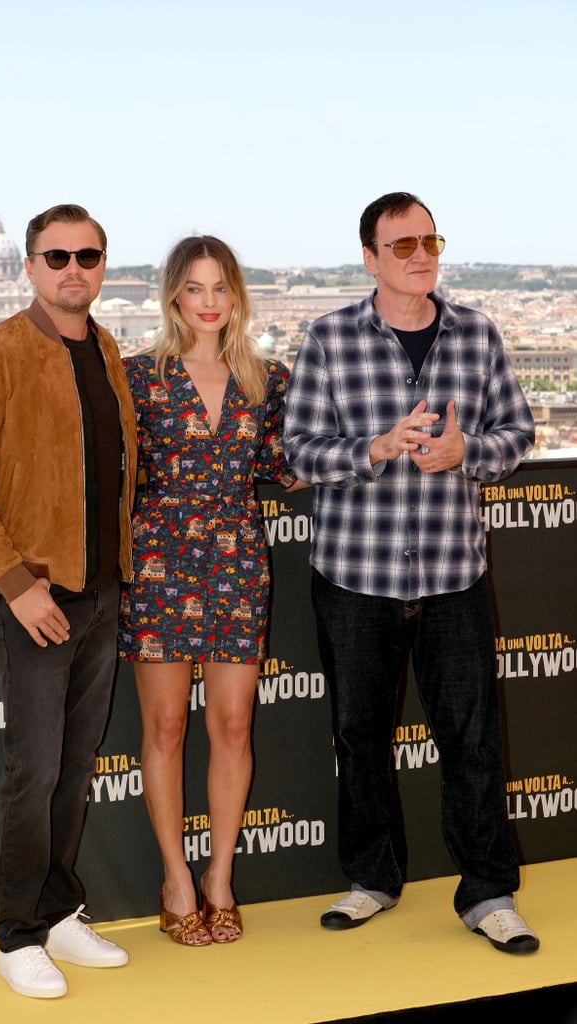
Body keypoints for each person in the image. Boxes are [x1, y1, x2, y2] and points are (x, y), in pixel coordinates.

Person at [283, 192, 540, 954]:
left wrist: (472, 454)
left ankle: (488, 893)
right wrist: (374, 448)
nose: (420, 253)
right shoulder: (327, 337)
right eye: (401, 244)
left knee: (471, 741)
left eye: (428, 239)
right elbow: (299, 451)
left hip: (452, 575)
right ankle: (371, 880)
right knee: (359, 737)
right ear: (369, 258)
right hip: (354, 575)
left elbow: (517, 431)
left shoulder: (477, 332)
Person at [0, 204, 138, 998]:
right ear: (28, 266)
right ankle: (16, 932)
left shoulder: (107, 348)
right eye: (57, 257)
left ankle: (56, 913)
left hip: (101, 590)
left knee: (76, 764)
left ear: (101, 264)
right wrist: (17, 586)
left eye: (88, 255)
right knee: (36, 768)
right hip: (38, 592)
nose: (73, 269)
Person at [119, 235, 305, 946]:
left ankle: (219, 877)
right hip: (160, 562)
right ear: (173, 295)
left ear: (238, 297)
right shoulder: (137, 378)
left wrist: (378, 448)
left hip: (235, 563)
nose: (207, 302)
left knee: (232, 727)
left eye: (219, 288)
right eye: (194, 288)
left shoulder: (268, 379)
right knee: (164, 728)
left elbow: (287, 468)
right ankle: (174, 878)